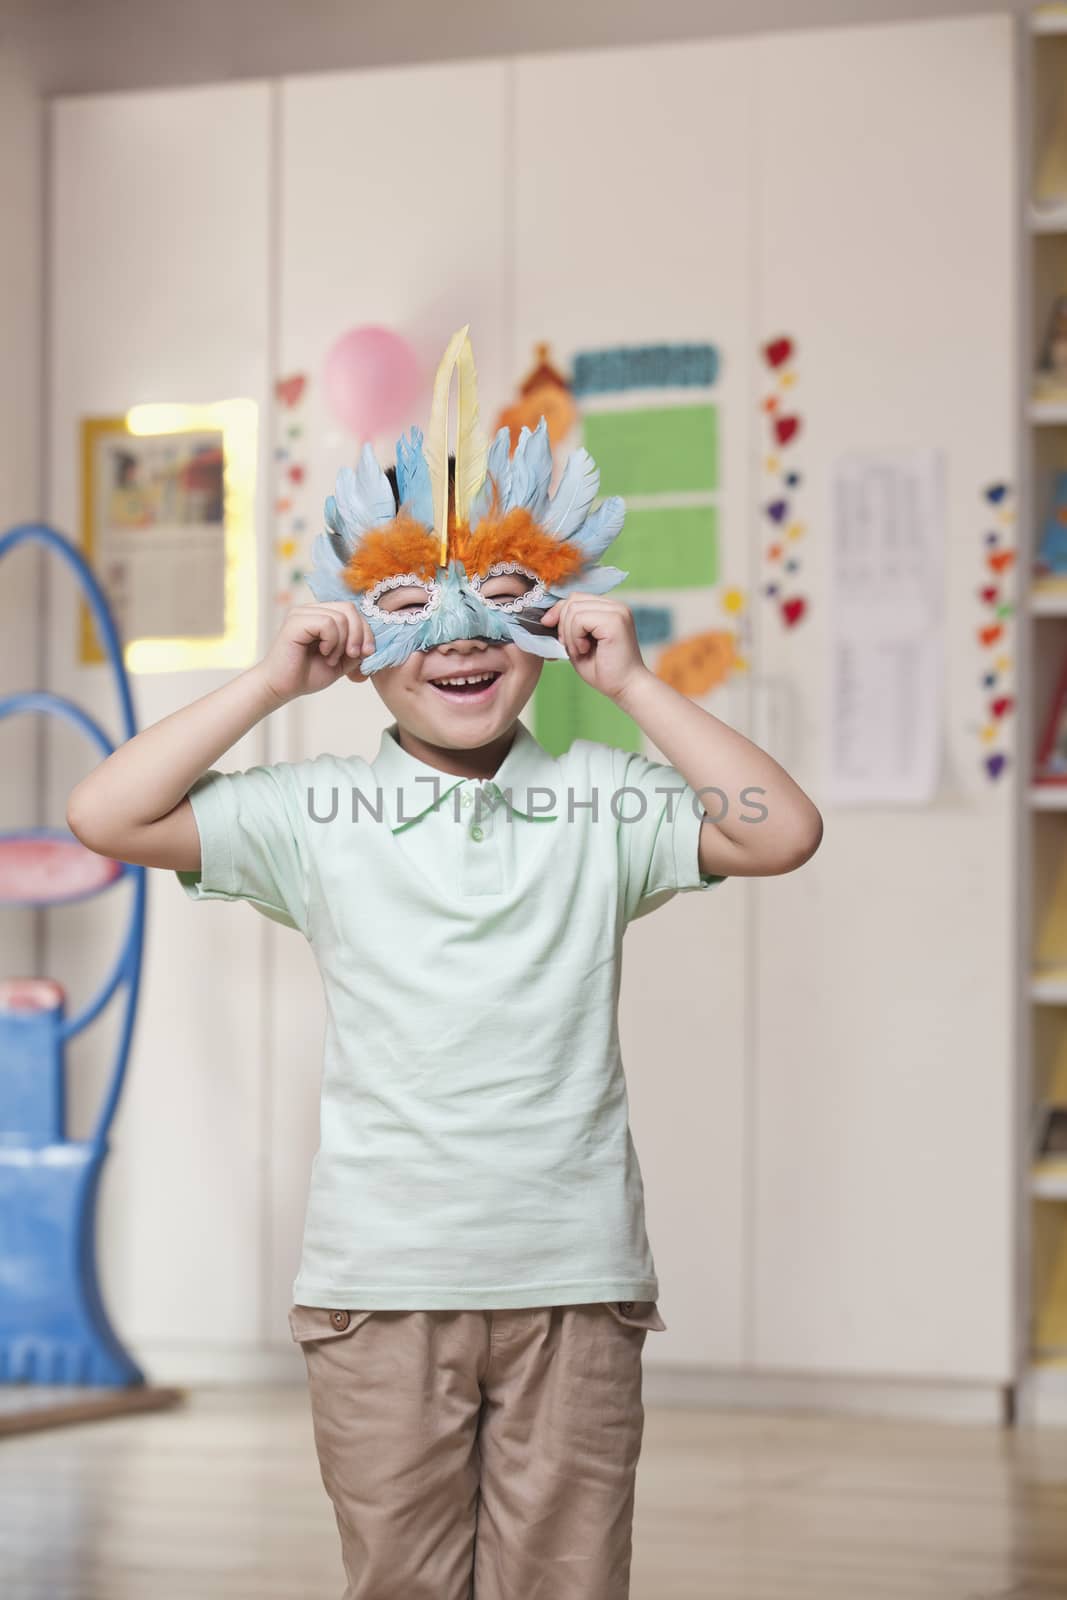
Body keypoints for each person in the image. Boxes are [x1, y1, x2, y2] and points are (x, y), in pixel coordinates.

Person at [67, 326, 823, 1600]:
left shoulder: (601, 802)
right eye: (412, 609)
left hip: (572, 1281)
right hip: (378, 1282)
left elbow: (778, 830)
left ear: (551, 629)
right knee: (400, 1583)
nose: (459, 641)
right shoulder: (310, 814)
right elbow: (108, 812)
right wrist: (265, 683)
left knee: (565, 1581)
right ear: (359, 639)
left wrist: (634, 686)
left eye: (501, 605)